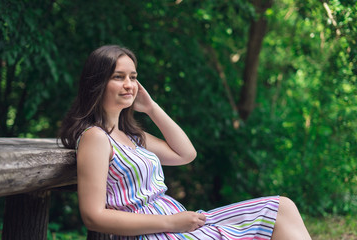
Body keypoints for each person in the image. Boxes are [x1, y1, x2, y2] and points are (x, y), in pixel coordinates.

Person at [59, 45, 311, 240]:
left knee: (281, 208)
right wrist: (171, 223)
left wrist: (152, 107)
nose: (129, 85)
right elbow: (93, 216)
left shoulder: (132, 136)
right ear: (97, 83)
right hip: (156, 232)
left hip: (178, 224)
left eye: (133, 77)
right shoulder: (96, 137)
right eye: (118, 76)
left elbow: (186, 154)